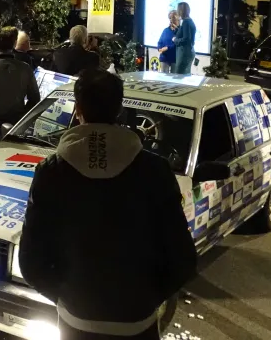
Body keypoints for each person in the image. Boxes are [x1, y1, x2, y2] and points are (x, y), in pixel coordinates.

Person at [19, 69, 198, 340]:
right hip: (137, 323)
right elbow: (182, 256)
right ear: (119, 109)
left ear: (78, 110)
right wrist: (148, 297)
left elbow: (31, 260)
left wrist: (68, 296)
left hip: (76, 322)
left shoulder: (51, 172)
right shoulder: (154, 170)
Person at [0, 27, 40, 152]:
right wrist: (21, 119)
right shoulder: (25, 69)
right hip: (14, 127)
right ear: (14, 45)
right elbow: (35, 99)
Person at [173, 2, 196, 75]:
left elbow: (186, 39)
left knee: (179, 75)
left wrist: (175, 40)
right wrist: (178, 29)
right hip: (189, 51)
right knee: (185, 75)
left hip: (184, 53)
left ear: (181, 11)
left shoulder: (186, 22)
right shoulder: (190, 21)